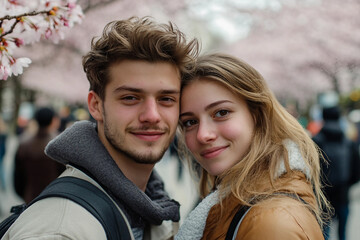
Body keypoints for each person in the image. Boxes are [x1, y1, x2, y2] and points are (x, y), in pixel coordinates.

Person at [1, 17, 199, 240]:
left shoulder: (151, 207)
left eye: (166, 99)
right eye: (131, 98)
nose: (152, 115)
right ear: (96, 106)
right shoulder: (60, 231)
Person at [175, 53, 330, 239]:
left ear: (256, 115)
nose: (203, 135)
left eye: (221, 112)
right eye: (190, 122)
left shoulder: (272, 224)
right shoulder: (235, 201)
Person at [312, 106, 360, 240]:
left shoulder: (316, 141)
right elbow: (357, 172)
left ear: (323, 118)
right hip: (343, 195)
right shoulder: (348, 142)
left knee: (324, 234)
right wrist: (346, 184)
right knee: (343, 234)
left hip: (323, 198)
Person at [14, 106, 65, 203]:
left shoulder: (24, 144)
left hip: (30, 197)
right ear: (52, 120)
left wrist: (24, 194)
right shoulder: (58, 144)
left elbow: (17, 178)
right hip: (54, 197)